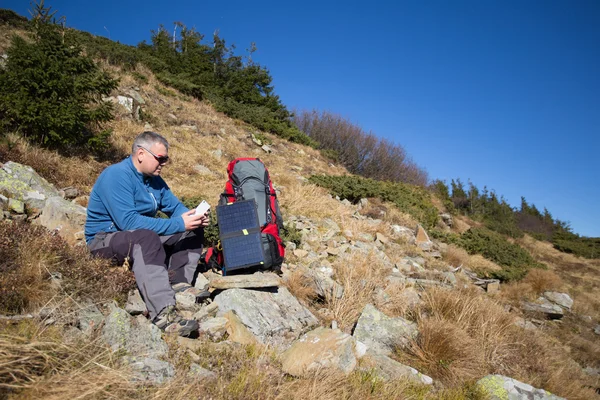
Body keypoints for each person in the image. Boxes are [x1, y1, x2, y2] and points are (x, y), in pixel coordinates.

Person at [85, 131, 208, 337]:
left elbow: (175, 207)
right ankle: (163, 314)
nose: (164, 163)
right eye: (160, 158)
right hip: (104, 239)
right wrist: (179, 223)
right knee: (147, 237)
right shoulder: (116, 175)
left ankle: (179, 281)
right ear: (141, 153)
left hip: (136, 235)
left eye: (166, 159)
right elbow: (128, 222)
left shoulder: (154, 180)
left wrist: (193, 217)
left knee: (190, 229)